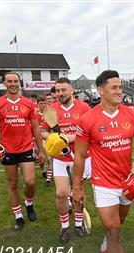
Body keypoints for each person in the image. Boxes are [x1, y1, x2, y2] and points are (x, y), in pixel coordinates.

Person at [73, 70, 134, 253]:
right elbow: (79, 155)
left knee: (118, 224)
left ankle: (105, 248)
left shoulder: (132, 115)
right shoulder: (88, 120)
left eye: (120, 87)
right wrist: (77, 187)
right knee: (114, 231)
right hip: (103, 184)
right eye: (114, 87)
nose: (119, 91)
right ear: (101, 90)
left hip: (128, 182)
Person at [0, 72, 45, 230]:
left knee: (30, 182)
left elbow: (35, 128)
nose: (13, 84)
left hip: (26, 147)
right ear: (4, 84)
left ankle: (29, 202)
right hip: (7, 150)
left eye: (16, 81)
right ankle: (18, 215)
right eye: (9, 81)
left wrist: (41, 150)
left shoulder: (28, 103)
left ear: (19, 83)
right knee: (12, 183)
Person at [42, 77, 91, 243]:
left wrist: (70, 137)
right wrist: (52, 137)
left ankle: (78, 224)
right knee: (61, 194)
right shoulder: (51, 109)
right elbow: (43, 131)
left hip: (79, 158)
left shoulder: (84, 107)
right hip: (60, 159)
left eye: (63, 90)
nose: (60, 93)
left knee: (78, 194)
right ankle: (64, 226)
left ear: (72, 90)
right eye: (57, 90)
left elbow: (90, 131)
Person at [36, 95, 53, 185]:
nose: (43, 105)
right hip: (38, 140)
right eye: (41, 103)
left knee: (50, 159)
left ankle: (48, 178)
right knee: (41, 159)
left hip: (49, 139)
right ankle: (43, 170)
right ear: (37, 104)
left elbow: (53, 126)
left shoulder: (50, 114)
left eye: (44, 103)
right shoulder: (35, 114)